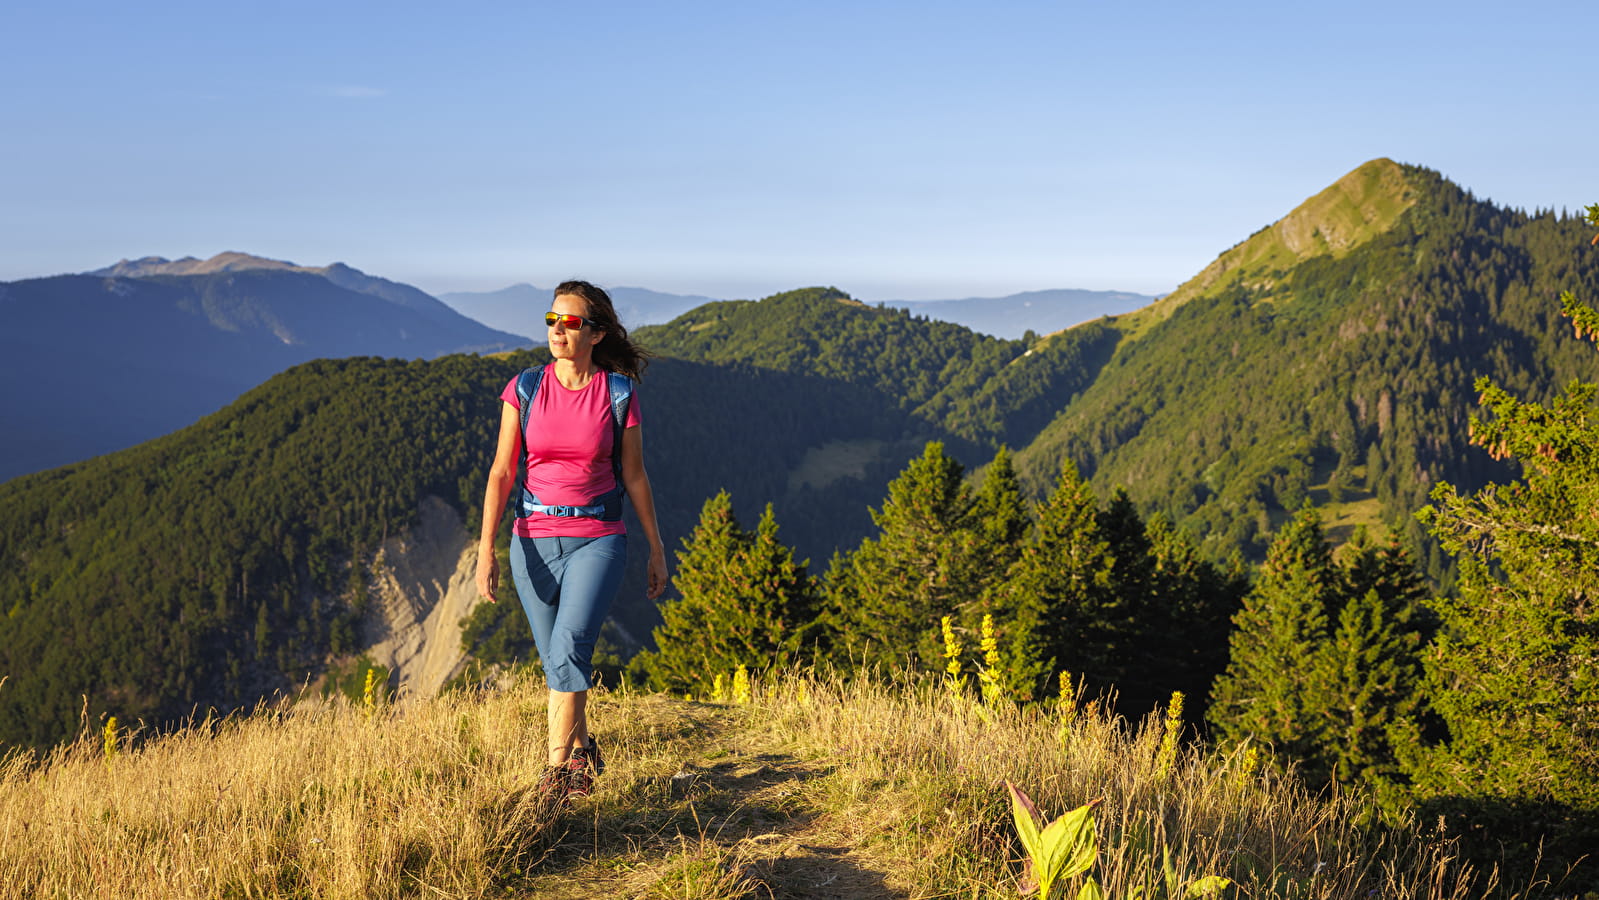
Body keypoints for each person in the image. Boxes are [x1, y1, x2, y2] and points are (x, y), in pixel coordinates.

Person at [474, 280, 667, 803]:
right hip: (531, 540)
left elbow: (635, 476)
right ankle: (583, 751)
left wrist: (656, 547)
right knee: (559, 664)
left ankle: (556, 777)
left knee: (567, 649)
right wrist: (485, 548)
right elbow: (500, 472)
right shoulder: (526, 388)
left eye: (572, 322)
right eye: (552, 319)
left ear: (597, 333)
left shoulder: (618, 393)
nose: (558, 330)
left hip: (598, 538)